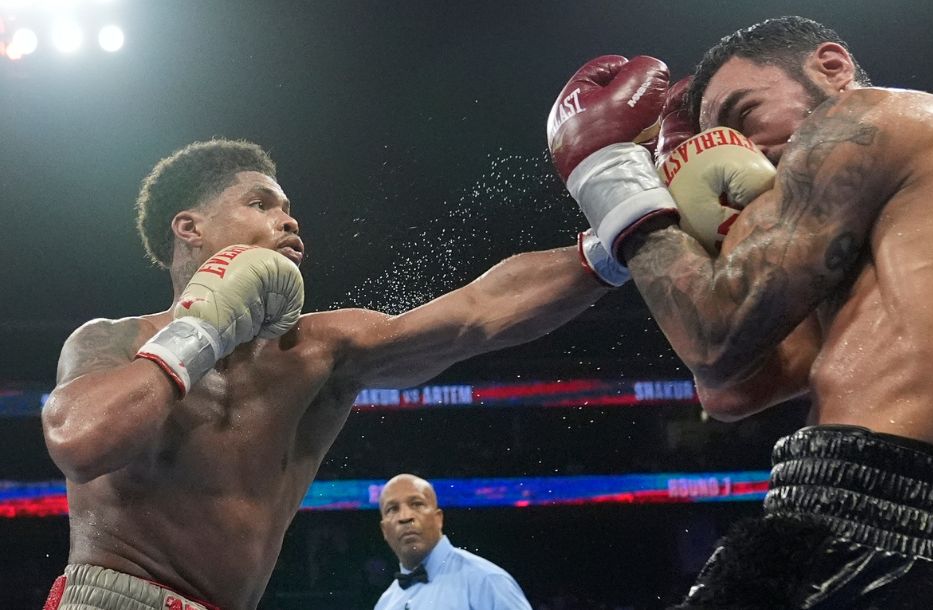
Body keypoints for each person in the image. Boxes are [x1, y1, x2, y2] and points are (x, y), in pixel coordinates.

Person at [546, 16, 933, 609]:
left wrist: (611, 175)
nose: (744, 153)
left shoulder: (867, 117)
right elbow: (729, 388)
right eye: (722, 143)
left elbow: (714, 336)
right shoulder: (892, 250)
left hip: (854, 538)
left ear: (831, 68)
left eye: (745, 115)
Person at [39, 139, 609, 610]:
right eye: (260, 203)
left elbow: (476, 313)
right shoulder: (113, 339)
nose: (287, 219)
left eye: (286, 208)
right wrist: (201, 330)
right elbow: (81, 441)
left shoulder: (318, 350)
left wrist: (611, 246)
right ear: (190, 227)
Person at [374, 474, 531, 610]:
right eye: (392, 509)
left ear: (438, 519)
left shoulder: (487, 581)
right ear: (384, 530)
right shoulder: (385, 604)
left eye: (417, 504)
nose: (405, 517)